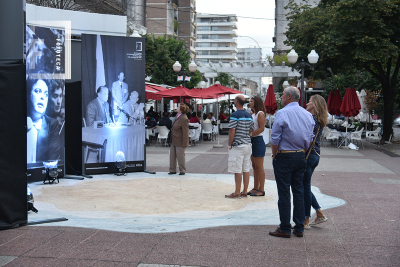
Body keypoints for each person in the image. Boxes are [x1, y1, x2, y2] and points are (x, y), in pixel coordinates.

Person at [269, 86, 315, 238]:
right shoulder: (307, 115)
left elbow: (275, 138)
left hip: (284, 156)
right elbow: (309, 139)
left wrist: (275, 155)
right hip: (300, 156)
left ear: (289, 96)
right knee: (299, 191)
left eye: (282, 95)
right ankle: (299, 227)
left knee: (284, 193)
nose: (280, 98)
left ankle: (285, 227)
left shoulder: (282, 113)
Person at [304, 95, 328, 229]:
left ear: (315, 105)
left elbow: (307, 140)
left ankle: (306, 219)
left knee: (304, 187)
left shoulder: (311, 119)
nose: (307, 103)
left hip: (309, 155)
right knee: (304, 186)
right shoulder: (318, 119)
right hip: (315, 155)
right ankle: (319, 213)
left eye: (310, 101)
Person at [225, 95, 254, 198]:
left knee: (237, 169)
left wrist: (229, 144)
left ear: (236, 102)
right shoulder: (249, 115)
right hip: (247, 145)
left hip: (238, 146)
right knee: (246, 169)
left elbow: (232, 131)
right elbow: (251, 131)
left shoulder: (235, 114)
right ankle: (245, 191)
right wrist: (248, 139)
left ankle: (237, 192)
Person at [27, 78, 60, 163]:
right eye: (38, 91)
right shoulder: (16, 121)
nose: (42, 97)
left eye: (46, 94)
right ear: (28, 94)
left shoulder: (52, 124)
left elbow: (53, 163)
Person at [247, 96, 266, 197]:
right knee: (254, 166)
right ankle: (255, 187)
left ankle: (261, 189)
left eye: (251, 101)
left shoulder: (260, 114)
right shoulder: (253, 114)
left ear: (256, 102)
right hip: (253, 141)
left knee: (259, 167)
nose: (249, 102)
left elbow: (262, 128)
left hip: (258, 141)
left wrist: (250, 134)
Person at [169, 103, 189, 175]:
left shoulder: (184, 118)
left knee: (180, 156)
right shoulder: (177, 115)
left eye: (178, 107)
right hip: (173, 139)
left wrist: (185, 142)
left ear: (180, 110)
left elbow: (185, 131)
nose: (177, 108)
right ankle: (172, 169)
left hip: (180, 140)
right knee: (172, 155)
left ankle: (182, 170)